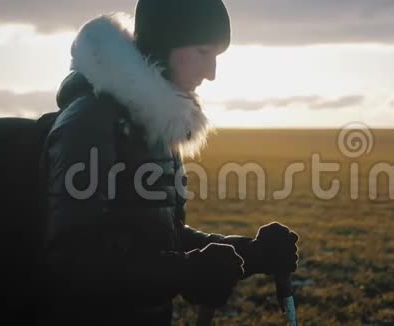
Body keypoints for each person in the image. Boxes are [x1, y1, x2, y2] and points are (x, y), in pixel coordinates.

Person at [38, 0, 299, 324]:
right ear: (165, 44)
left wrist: (250, 253)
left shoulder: (157, 126)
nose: (212, 73)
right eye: (203, 53)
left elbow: (163, 238)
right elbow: (74, 262)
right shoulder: (89, 123)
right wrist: (187, 271)